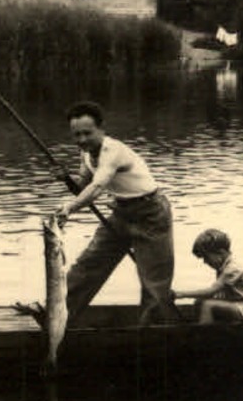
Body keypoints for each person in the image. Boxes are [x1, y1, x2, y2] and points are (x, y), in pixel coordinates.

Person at [46, 101, 180, 326]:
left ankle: (153, 331)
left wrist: (70, 207)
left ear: (101, 129)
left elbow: (97, 187)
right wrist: (66, 177)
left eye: (87, 133)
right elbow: (84, 185)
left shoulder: (113, 150)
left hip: (151, 215)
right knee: (88, 265)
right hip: (121, 213)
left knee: (153, 281)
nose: (82, 140)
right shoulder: (87, 154)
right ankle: (57, 319)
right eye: (76, 135)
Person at [175, 228, 243, 324]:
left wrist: (180, 294)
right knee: (199, 302)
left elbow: (211, 291)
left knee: (208, 306)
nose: (205, 262)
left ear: (221, 253)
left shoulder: (232, 268)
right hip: (241, 304)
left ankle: (203, 336)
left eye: (206, 257)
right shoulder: (223, 267)